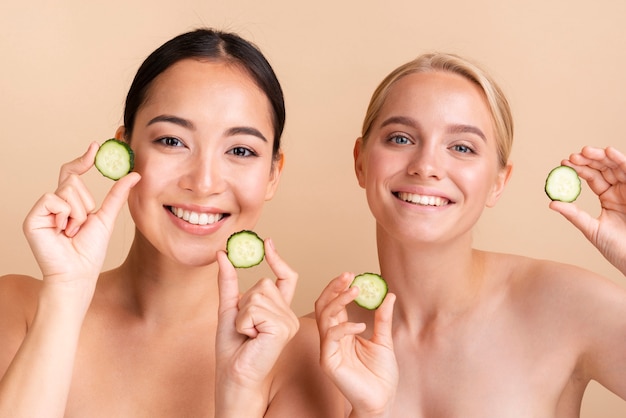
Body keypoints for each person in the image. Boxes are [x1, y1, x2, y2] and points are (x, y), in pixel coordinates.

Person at [0, 28, 342, 417]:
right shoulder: (16, 308)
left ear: (272, 175)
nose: (204, 182)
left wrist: (239, 393)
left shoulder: (302, 356)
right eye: (172, 141)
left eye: (241, 150)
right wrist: (65, 293)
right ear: (126, 149)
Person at [314, 52, 626, 417]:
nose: (426, 166)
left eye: (462, 147)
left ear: (498, 183)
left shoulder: (566, 305)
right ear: (361, 162)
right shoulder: (316, 342)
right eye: (400, 139)